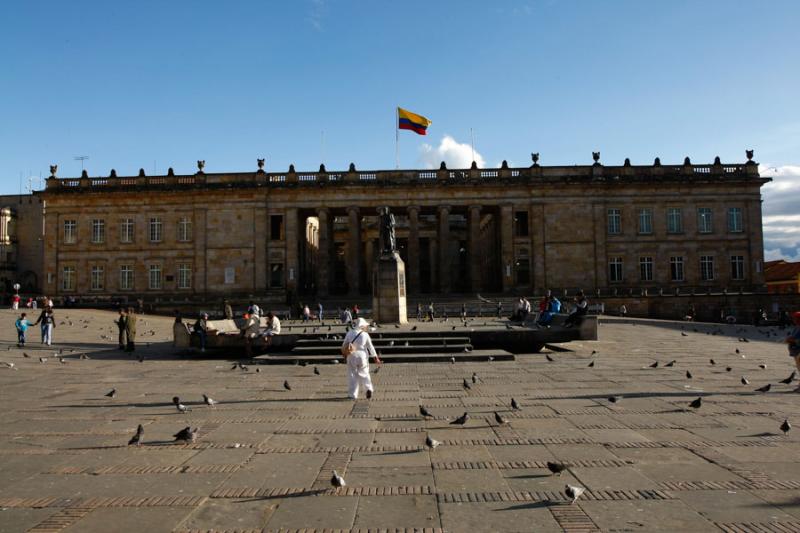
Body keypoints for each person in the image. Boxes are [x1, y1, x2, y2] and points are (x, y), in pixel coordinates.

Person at [341, 318, 381, 400]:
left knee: (352, 375)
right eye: (365, 326)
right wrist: (375, 357)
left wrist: (345, 356)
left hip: (351, 356)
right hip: (362, 356)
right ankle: (368, 389)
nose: (366, 327)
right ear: (362, 326)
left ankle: (353, 394)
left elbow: (344, 345)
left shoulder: (350, 333)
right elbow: (371, 347)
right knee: (365, 373)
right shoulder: (365, 334)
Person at [786, 312, 800, 392]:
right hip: (796, 351)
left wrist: (793, 340)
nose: (793, 320)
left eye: (795, 318)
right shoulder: (797, 327)